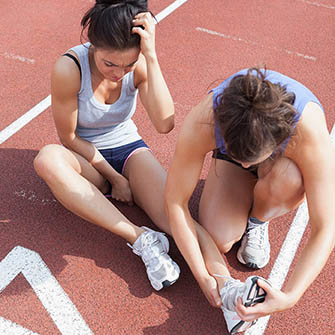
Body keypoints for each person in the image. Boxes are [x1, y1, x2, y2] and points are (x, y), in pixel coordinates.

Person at [165, 67, 335, 334]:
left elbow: (326, 227)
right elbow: (175, 202)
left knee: (289, 178)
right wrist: (202, 275)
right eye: (239, 155)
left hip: (282, 165)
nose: (245, 163)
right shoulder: (204, 120)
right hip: (241, 146)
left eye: (250, 159)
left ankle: (258, 219)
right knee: (219, 239)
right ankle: (237, 179)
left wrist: (290, 296)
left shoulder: (308, 132)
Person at [33, 0, 180, 291]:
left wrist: (150, 56)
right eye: (109, 63)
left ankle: (225, 285)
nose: (117, 73)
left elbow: (165, 123)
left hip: (128, 149)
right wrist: (114, 179)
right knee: (47, 159)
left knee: (177, 220)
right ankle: (140, 238)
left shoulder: (139, 64)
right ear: (93, 46)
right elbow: (69, 138)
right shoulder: (69, 68)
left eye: (128, 64)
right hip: (86, 160)